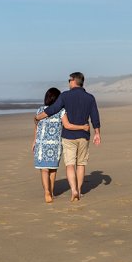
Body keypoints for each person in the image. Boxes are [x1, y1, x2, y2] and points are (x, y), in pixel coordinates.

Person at [34, 72, 101, 202]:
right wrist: (97, 133)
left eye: (69, 80)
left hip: (69, 136)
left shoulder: (65, 96)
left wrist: (38, 117)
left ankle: (74, 190)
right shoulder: (90, 98)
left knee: (70, 164)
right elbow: (95, 116)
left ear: (73, 81)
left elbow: (53, 109)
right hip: (84, 135)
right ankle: (79, 191)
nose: (68, 82)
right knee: (81, 164)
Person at [32, 87, 89, 203]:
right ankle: (51, 192)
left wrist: (34, 141)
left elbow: (37, 127)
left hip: (41, 143)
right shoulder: (61, 111)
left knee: (44, 170)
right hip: (55, 144)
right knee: (52, 169)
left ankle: (47, 192)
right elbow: (67, 126)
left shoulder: (40, 110)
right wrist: (83, 127)